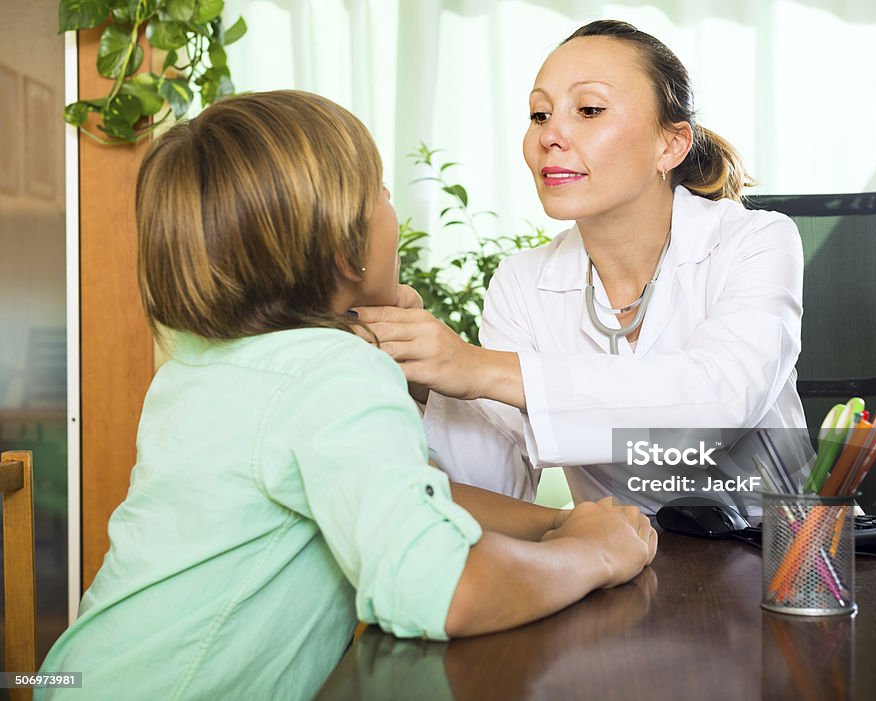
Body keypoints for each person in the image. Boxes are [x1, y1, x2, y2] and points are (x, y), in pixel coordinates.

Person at [36, 90, 657, 700]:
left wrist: (556, 521)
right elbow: (440, 589)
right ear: (346, 249)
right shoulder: (330, 373)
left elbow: (411, 492)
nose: (393, 208)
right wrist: (591, 554)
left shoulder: (207, 361)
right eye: (381, 194)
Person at [356, 20, 810, 515]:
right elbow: (496, 483)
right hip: (630, 564)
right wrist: (421, 379)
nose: (550, 135)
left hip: (787, 553)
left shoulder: (755, 240)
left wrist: (475, 366)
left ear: (671, 144)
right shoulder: (522, 282)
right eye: (538, 114)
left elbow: (719, 406)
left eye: (589, 110)